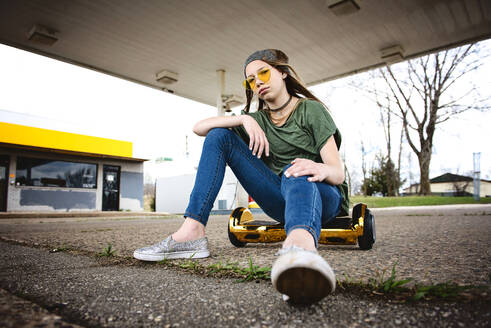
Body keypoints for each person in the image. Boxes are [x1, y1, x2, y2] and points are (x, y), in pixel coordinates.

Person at [134, 49, 349, 304]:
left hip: (323, 198)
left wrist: (317, 167)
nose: (257, 81)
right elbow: (199, 128)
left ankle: (300, 252)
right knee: (218, 135)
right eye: (251, 79)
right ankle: (192, 232)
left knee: (295, 170)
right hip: (281, 198)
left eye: (264, 72)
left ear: (282, 72)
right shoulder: (257, 120)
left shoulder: (310, 110)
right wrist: (244, 120)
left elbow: (337, 172)